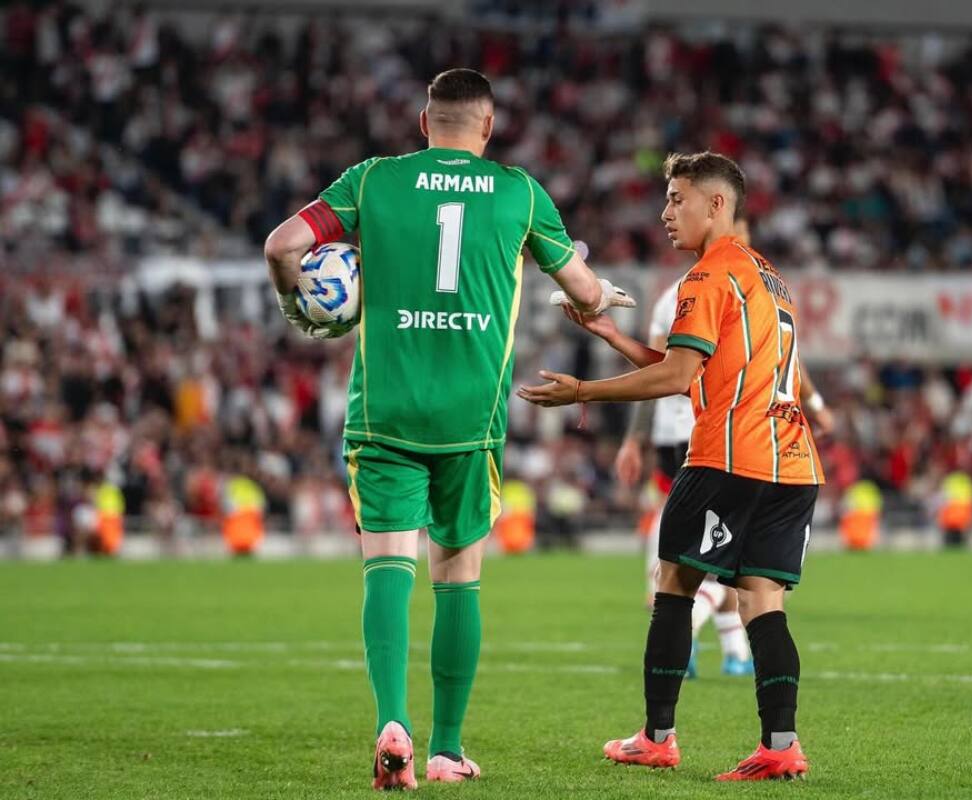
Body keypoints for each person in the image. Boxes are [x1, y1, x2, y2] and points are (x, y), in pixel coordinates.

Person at [263, 68, 631, 791]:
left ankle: (391, 723)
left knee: (387, 566)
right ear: (487, 130)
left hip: (387, 410)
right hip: (471, 417)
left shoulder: (372, 181)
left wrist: (295, 307)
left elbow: (282, 246)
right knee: (458, 576)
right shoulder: (521, 193)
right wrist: (590, 288)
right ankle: (447, 748)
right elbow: (586, 294)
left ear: (423, 123)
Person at [520, 151, 823, 781]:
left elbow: (679, 377)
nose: (665, 214)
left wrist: (582, 392)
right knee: (762, 601)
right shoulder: (770, 279)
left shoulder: (707, 279)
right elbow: (697, 369)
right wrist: (608, 334)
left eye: (676, 199)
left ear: (716, 204)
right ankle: (781, 745)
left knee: (674, 583)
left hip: (728, 457)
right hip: (793, 463)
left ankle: (657, 736)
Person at [616, 214, 833, 679]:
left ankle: (720, 649)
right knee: (716, 564)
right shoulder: (716, 287)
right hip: (709, 437)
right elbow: (664, 373)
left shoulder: (719, 284)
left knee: (710, 561)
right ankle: (717, 648)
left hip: (725, 436)